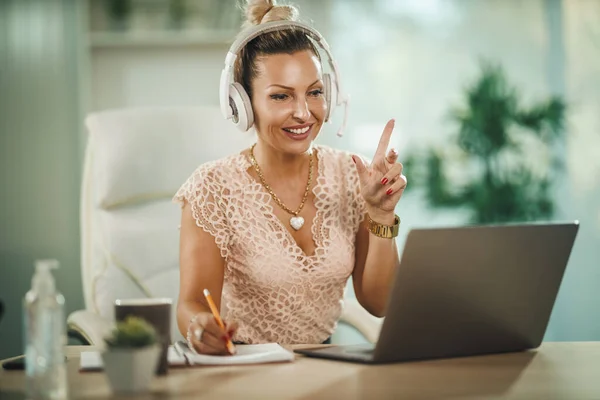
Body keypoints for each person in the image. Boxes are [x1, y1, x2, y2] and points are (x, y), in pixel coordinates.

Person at [174, 0, 407, 355]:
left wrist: (381, 215)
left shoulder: (352, 176)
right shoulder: (212, 188)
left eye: (314, 92)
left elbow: (381, 303)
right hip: (242, 369)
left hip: (326, 370)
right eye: (281, 96)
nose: (303, 113)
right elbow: (192, 304)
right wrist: (198, 326)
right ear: (243, 103)